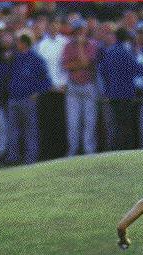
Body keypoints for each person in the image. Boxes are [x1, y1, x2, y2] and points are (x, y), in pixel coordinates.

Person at [6, 30, 51, 165]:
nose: (16, 44)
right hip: (14, 98)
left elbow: (46, 82)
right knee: (13, 130)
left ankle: (30, 158)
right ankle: (13, 157)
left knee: (30, 130)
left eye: (18, 42)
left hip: (28, 100)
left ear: (24, 43)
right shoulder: (14, 58)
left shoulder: (36, 59)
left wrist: (37, 93)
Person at [61, 19, 98, 156]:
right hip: (73, 87)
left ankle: (89, 152)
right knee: (73, 122)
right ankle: (73, 152)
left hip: (88, 86)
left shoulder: (92, 44)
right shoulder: (68, 45)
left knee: (89, 122)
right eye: (77, 30)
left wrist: (81, 47)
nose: (79, 33)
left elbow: (87, 63)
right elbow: (66, 65)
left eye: (81, 30)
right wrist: (79, 64)